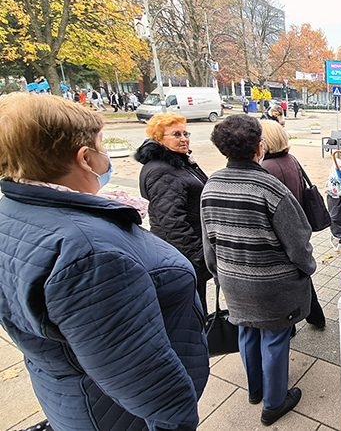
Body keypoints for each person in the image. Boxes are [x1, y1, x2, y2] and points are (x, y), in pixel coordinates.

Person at [0, 93, 208, 430]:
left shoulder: (16, 213)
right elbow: (142, 374)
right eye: (102, 147)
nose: (106, 157)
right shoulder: (91, 254)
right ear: (84, 158)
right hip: (121, 415)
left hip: (74, 397)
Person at [201, 115, 315, 425]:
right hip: (272, 284)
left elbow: (209, 241)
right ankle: (274, 403)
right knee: (275, 337)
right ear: (259, 147)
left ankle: (255, 390)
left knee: (246, 330)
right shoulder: (271, 189)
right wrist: (307, 268)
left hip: (232, 278)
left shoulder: (211, 185)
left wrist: (219, 273)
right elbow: (298, 241)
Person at [135, 113, 211, 314]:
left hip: (190, 248)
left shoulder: (179, 161)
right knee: (190, 307)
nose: (184, 138)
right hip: (184, 253)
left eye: (186, 133)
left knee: (196, 303)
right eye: (176, 134)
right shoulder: (163, 171)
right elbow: (171, 221)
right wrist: (199, 256)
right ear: (159, 139)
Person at [259, 119, 326, 329]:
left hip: (280, 230)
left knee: (291, 277)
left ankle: (297, 320)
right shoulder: (291, 160)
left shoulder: (266, 168)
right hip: (298, 224)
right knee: (301, 272)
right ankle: (315, 315)